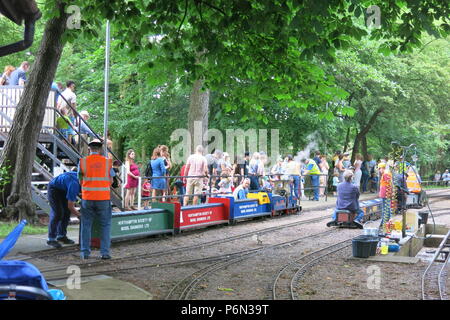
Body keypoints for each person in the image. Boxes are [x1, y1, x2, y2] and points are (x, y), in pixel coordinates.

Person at [78, 139, 114, 260]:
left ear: (90, 149)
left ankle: (85, 253)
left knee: (86, 225)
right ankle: (104, 253)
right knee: (105, 225)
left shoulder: (82, 162)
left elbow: (80, 179)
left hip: (87, 198)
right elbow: (112, 180)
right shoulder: (108, 162)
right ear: (100, 149)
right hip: (103, 198)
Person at [46, 170, 81, 249]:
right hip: (54, 189)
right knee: (58, 213)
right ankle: (51, 239)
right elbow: (71, 206)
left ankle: (61, 236)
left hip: (64, 188)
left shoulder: (83, 181)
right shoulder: (74, 185)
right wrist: (79, 215)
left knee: (66, 213)